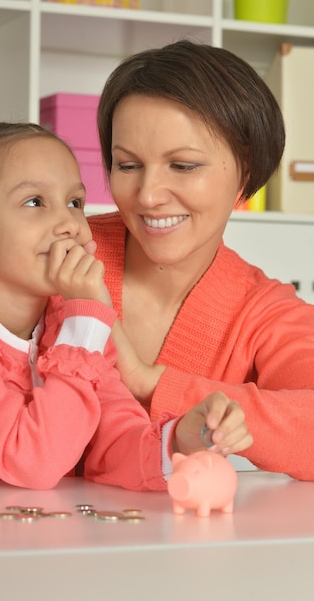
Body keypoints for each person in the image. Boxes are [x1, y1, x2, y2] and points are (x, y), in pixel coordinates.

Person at [0, 122, 251, 490]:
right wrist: (85, 323)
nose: (69, 223)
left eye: (75, 202)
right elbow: (33, 460)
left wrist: (181, 441)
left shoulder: (71, 323)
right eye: (34, 202)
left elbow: (114, 446)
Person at [88, 38, 314, 481]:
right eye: (128, 165)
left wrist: (151, 382)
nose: (149, 196)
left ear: (245, 174)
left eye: (183, 166)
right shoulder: (57, 250)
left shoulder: (263, 311)